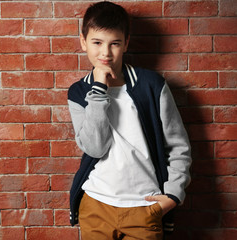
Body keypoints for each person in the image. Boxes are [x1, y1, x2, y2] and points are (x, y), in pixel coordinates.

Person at [67, 2, 192, 239]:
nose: (105, 53)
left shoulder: (151, 85)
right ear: (83, 42)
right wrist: (98, 89)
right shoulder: (78, 92)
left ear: (126, 43)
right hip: (96, 205)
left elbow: (178, 145)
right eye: (97, 43)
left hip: (144, 205)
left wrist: (172, 196)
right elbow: (95, 146)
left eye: (114, 43)